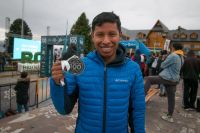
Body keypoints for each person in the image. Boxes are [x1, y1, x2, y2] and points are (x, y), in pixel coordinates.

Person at [50, 12, 145, 133]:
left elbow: (137, 111)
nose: (106, 41)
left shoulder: (133, 69)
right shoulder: (78, 65)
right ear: (92, 36)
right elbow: (64, 109)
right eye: (100, 34)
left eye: (112, 34)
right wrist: (57, 83)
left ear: (119, 35)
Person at [144, 43, 184, 123]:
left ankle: (140, 98)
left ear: (173, 47)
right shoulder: (181, 57)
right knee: (171, 98)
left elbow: (162, 65)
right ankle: (169, 115)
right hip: (174, 80)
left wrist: (163, 59)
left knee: (148, 79)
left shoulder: (173, 56)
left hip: (167, 78)